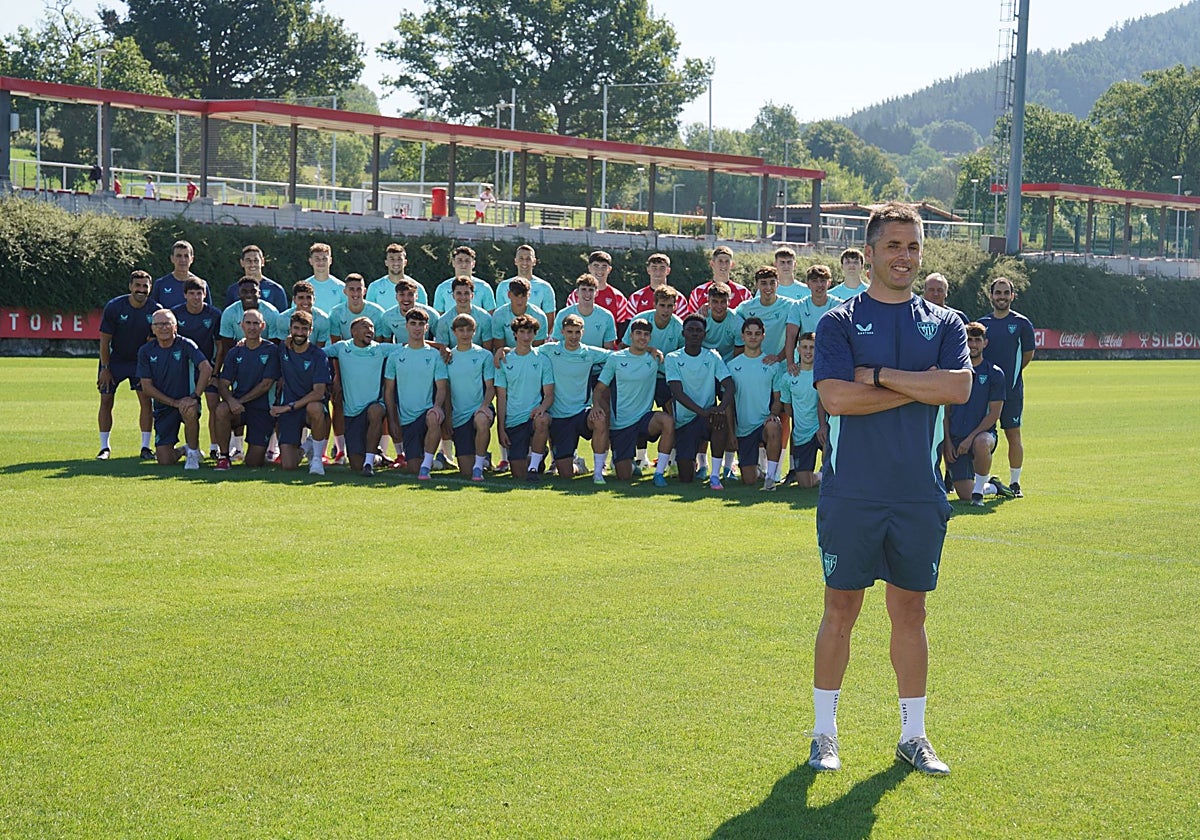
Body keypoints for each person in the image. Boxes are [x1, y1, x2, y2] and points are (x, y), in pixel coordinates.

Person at [808, 201, 971, 777]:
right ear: (870, 252)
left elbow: (958, 387)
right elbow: (835, 399)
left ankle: (913, 735)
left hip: (919, 494)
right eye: (893, 246)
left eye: (913, 246)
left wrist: (877, 377)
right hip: (852, 491)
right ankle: (824, 734)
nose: (904, 256)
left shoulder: (945, 323)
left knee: (911, 612)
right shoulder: (839, 323)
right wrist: (921, 387)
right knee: (840, 609)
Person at [591, 318, 674, 486]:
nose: (642, 338)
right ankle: (626, 463)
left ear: (650, 338)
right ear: (631, 336)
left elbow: (676, 373)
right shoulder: (616, 358)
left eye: (646, 335)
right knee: (624, 476)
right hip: (621, 424)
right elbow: (599, 389)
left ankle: (659, 474)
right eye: (638, 334)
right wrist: (597, 406)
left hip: (645, 419)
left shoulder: (655, 359)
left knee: (667, 421)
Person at [977, 277, 1036, 497]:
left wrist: (1010, 377)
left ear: (1012, 296)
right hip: (984, 391)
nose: (1001, 297)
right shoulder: (983, 324)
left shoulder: (1021, 323)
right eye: (997, 293)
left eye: (1005, 293)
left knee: (1013, 434)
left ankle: (1015, 482)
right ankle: (979, 482)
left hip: (1011, 390)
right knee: (980, 434)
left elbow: (1028, 354)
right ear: (990, 295)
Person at [943, 322, 1013, 505]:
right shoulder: (954, 372)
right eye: (969, 340)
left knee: (981, 443)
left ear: (985, 343)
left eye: (977, 340)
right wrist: (948, 442)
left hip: (983, 435)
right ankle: (992, 487)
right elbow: (946, 411)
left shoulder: (994, 373)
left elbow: (994, 414)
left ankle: (979, 496)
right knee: (964, 494)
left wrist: (970, 438)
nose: (972, 344)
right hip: (957, 439)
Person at [96, 270, 163, 460]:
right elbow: (104, 342)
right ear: (130, 287)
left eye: (145, 286)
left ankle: (145, 447)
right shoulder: (115, 306)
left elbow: (156, 341)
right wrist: (105, 369)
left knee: (146, 402)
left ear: (150, 288)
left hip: (140, 363)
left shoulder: (156, 309)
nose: (141, 290)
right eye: (138, 286)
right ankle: (104, 447)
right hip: (115, 360)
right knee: (106, 400)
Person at [136, 309, 214, 469]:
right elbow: (146, 386)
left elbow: (206, 368)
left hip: (187, 401)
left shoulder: (186, 344)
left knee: (190, 410)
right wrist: (173, 402)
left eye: (167, 324)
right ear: (153, 328)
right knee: (164, 460)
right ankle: (183, 450)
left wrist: (194, 396)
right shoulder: (146, 351)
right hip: (164, 405)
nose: (163, 328)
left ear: (175, 327)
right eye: (158, 324)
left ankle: (192, 453)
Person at [666, 315, 734, 490]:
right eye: (691, 330)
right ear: (684, 333)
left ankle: (714, 476)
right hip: (685, 421)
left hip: (708, 419)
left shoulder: (712, 356)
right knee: (686, 477)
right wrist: (703, 411)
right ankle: (694, 462)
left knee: (720, 422)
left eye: (699, 330)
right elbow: (677, 392)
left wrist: (719, 409)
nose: (694, 334)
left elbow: (729, 385)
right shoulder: (672, 358)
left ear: (705, 334)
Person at [543, 313, 612, 484]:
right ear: (562, 332)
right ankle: (579, 465)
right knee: (566, 474)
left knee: (600, 419)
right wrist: (504, 350)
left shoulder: (589, 353)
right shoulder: (550, 350)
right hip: (559, 416)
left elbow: (618, 356)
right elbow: (526, 352)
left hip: (582, 412)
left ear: (583, 332)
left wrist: (648, 349)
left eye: (577, 332)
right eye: (570, 332)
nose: (573, 336)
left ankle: (598, 472)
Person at [212, 309, 280, 469]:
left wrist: (239, 401)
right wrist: (230, 401)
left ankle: (266, 450)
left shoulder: (271, 350)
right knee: (221, 409)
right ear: (242, 326)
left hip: (261, 409)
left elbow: (265, 384)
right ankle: (223, 456)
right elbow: (223, 383)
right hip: (238, 408)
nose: (252, 327)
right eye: (248, 323)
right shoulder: (235, 352)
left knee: (253, 462)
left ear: (263, 326)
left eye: (256, 323)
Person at [327, 316, 391, 476]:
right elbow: (314, 353)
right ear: (353, 331)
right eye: (365, 327)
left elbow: (411, 347)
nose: (370, 330)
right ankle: (376, 456)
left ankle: (369, 463)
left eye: (372, 327)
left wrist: (439, 347)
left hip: (373, 407)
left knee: (376, 410)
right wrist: (290, 342)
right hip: (351, 413)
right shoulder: (341, 348)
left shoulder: (380, 349)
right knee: (355, 464)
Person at [269, 310, 332, 475]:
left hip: (305, 408)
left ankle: (317, 459)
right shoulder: (283, 349)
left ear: (310, 331)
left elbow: (319, 393)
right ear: (290, 329)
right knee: (289, 465)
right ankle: (306, 446)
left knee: (315, 407)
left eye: (304, 329)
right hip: (290, 411)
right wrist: (243, 341)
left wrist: (289, 407)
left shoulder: (318, 355)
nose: (300, 333)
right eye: (296, 328)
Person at [494, 314, 555, 482]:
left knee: (543, 420)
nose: (526, 337)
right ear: (515, 334)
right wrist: (501, 429)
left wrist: (541, 409)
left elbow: (549, 394)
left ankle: (534, 466)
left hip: (533, 417)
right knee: (518, 473)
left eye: (530, 332)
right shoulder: (504, 360)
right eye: (522, 332)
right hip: (514, 420)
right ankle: (538, 454)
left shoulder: (543, 359)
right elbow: (501, 397)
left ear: (535, 334)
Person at [727, 317, 784, 489]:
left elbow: (777, 399)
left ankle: (771, 478)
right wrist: (732, 433)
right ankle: (759, 471)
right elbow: (728, 404)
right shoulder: (731, 366)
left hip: (764, 423)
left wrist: (773, 414)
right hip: (744, 429)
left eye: (757, 334)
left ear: (763, 336)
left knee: (774, 426)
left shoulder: (772, 365)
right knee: (749, 480)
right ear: (742, 336)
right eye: (749, 333)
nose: (753, 337)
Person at [170, 277, 224, 459]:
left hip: (208, 367)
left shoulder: (214, 314)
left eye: (199, 293)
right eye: (191, 293)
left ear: (205, 294)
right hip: (183, 370)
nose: (195, 297)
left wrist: (215, 372)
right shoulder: (176, 314)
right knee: (189, 407)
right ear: (185, 295)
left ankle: (215, 447)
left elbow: (220, 345)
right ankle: (193, 448)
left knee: (214, 407)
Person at [444, 314, 496, 481]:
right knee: (464, 471)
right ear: (454, 332)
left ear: (475, 332)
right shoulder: (447, 357)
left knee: (481, 420)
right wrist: (448, 417)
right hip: (459, 415)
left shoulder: (484, 355)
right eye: (461, 330)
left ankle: (479, 466)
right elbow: (445, 391)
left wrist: (484, 406)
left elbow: (490, 387)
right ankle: (480, 459)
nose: (465, 334)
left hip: (479, 410)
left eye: (469, 330)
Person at [779, 332, 826, 488]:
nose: (808, 351)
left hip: (821, 430)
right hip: (801, 435)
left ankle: (828, 472)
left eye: (812, 347)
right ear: (798, 350)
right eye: (804, 347)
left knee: (829, 443)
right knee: (805, 485)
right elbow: (788, 408)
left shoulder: (823, 374)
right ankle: (820, 476)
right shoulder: (788, 378)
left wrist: (823, 426)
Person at [785, 265, 840, 374]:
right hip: (806, 362)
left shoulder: (838, 305)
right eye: (815, 281)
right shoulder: (798, 306)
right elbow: (791, 336)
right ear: (808, 284)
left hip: (831, 362)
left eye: (823, 281)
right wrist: (790, 363)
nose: (819, 285)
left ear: (829, 283)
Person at [735, 266, 794, 363]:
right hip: (754, 364)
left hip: (780, 364)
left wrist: (779, 358)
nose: (768, 287)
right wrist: (708, 306)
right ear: (756, 285)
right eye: (763, 283)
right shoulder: (745, 308)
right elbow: (727, 315)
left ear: (778, 284)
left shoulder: (790, 306)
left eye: (772, 283)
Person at [563, 251, 632, 331]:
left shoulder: (618, 297)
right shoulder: (575, 296)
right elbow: (568, 322)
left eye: (604, 266)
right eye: (596, 265)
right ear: (589, 267)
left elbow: (622, 327)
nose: (600, 270)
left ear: (609, 269)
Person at [551, 274, 618, 350]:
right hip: (569, 359)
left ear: (597, 293)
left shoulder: (606, 316)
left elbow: (609, 348)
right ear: (576, 292)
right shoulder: (563, 314)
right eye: (583, 289)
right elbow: (556, 344)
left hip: (595, 360)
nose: (587, 294)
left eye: (591, 290)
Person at [495, 244, 557, 326]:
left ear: (534, 261)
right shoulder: (503, 286)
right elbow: (499, 316)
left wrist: (538, 337)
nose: (524, 262)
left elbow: (549, 319)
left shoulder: (545, 287)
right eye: (521, 258)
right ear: (515, 261)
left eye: (528, 259)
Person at [434, 277, 495, 350]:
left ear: (472, 295)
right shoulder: (444, 320)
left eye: (466, 293)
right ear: (453, 296)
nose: (463, 297)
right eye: (459, 293)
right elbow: (443, 349)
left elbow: (488, 349)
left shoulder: (485, 317)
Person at [687, 246, 752, 314]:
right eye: (720, 261)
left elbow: (750, 317)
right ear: (712, 264)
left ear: (732, 265)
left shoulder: (744, 292)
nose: (724, 265)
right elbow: (691, 320)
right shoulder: (698, 292)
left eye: (727, 261)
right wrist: (700, 312)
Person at [222, 245, 289, 311]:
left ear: (262, 262)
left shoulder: (276, 289)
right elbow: (228, 315)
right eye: (248, 261)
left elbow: (282, 318)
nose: (252, 264)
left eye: (256, 260)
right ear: (242, 263)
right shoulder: (233, 290)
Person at [329, 273, 390, 343]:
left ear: (364, 291)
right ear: (345, 291)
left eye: (359, 289)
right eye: (351, 289)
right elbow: (336, 344)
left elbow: (380, 343)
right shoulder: (336, 313)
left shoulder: (378, 312)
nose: (355, 293)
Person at [432, 245, 497, 311]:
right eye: (460, 260)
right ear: (453, 263)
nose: (463, 264)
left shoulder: (484, 287)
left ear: (473, 264)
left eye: (467, 261)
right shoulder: (442, 288)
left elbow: (490, 315)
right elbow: (438, 316)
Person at [366, 242, 430, 310]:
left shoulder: (418, 288)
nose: (396, 263)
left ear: (405, 262)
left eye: (399, 259)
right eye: (392, 259)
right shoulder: (374, 287)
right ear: (386, 262)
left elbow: (423, 315)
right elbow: (369, 314)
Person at [150, 239, 209, 310]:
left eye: (186, 256)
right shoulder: (161, 284)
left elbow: (207, 312)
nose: (182, 260)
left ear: (192, 259)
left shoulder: (201, 284)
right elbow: (153, 312)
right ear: (172, 258)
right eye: (179, 256)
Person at [492, 276, 548, 348]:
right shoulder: (499, 315)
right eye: (516, 296)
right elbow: (499, 347)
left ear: (529, 295)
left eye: (523, 296)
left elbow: (539, 348)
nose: (520, 301)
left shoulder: (540, 316)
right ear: (509, 294)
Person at [275, 280, 332, 348]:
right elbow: (283, 347)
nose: (305, 301)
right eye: (301, 298)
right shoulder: (283, 319)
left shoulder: (323, 319)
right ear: (294, 300)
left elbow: (320, 347)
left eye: (308, 297)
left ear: (314, 299)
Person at [303, 242, 345, 317]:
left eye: (324, 259)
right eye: (317, 259)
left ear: (330, 261)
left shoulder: (342, 287)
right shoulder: (303, 287)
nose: (321, 262)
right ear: (310, 261)